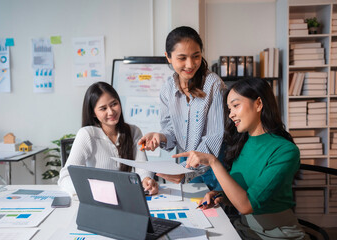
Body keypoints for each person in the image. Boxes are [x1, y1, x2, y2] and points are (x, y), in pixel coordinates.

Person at [175, 78, 308, 239]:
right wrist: (220, 196)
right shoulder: (241, 142)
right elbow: (241, 196)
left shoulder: (285, 151)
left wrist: (213, 161)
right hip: (244, 228)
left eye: (236, 105)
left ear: (258, 104)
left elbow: (247, 205)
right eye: (229, 108)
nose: (231, 114)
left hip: (277, 234)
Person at [138, 26, 225, 189]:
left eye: (196, 56)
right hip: (187, 168)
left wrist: (187, 170)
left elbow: (214, 137)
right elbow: (172, 130)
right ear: (168, 57)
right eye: (182, 58)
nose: (190, 64)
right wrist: (160, 137)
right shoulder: (167, 89)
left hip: (214, 170)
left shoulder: (213, 84)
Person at [58, 82, 158, 197]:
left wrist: (146, 180)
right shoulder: (87, 134)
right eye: (103, 108)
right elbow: (66, 177)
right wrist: (94, 190)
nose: (111, 112)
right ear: (93, 113)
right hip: (99, 201)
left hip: (127, 199)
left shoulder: (134, 131)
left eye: (114, 104)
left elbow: (143, 167)